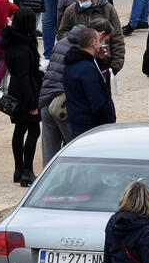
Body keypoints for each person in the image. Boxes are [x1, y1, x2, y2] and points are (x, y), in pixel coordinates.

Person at [41, 19, 112, 166]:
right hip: (65, 105)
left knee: (49, 157)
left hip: (46, 101)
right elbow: (90, 88)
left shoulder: (63, 43)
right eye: (103, 40)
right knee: (75, 152)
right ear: (98, 37)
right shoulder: (83, 55)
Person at [0, 7, 42, 187]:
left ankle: (19, 170)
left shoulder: (12, 41)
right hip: (26, 91)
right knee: (34, 130)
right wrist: (32, 102)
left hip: (16, 89)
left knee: (19, 129)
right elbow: (25, 76)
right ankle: (27, 170)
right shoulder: (23, 46)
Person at [58, 0, 126, 74]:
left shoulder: (108, 10)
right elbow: (61, 34)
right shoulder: (71, 10)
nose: (82, 2)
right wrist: (80, 37)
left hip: (104, 62)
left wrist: (115, 67)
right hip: (79, 61)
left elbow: (117, 39)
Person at [61, 27, 116, 137]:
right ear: (94, 43)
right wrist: (107, 122)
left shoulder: (71, 64)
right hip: (90, 127)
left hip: (77, 122)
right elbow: (97, 100)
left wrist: (99, 60)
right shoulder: (87, 69)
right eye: (98, 41)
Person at [103, 181, 149, 263]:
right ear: (148, 202)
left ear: (125, 198)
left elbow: (107, 259)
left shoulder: (113, 222)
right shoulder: (146, 232)